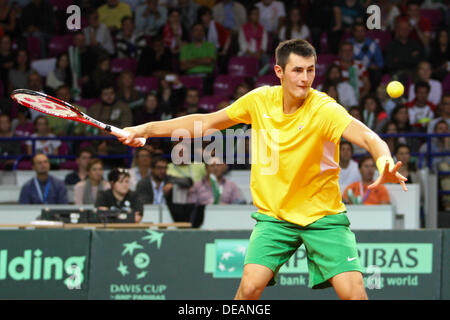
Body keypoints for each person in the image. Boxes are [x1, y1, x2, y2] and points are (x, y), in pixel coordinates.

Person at [120, 39, 407, 300]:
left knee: (354, 294)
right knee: (249, 288)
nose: (305, 78)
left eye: (310, 70)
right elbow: (206, 122)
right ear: (279, 71)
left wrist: (383, 161)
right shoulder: (259, 101)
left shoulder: (324, 109)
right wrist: (145, 128)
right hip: (275, 218)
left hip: (323, 216)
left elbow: (369, 137)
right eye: (297, 70)